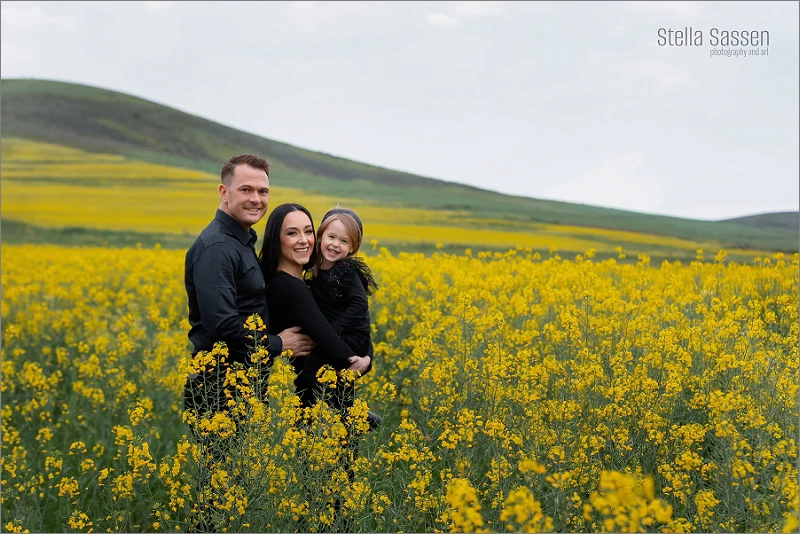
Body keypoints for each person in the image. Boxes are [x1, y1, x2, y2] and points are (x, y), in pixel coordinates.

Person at [182, 155, 314, 532]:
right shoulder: (218, 249)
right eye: (246, 190)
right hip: (218, 387)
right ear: (224, 192)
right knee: (217, 495)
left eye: (263, 190)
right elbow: (223, 325)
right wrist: (279, 344)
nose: (256, 198)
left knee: (229, 490)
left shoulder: (239, 242)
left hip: (239, 383)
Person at [258, 203, 371, 411]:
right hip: (317, 409)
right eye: (292, 233)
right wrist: (364, 361)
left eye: (308, 231)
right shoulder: (292, 287)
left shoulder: (301, 279)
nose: (303, 239)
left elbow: (354, 312)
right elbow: (330, 342)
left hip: (321, 402)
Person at [303, 207, 382, 429]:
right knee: (339, 382)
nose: (335, 244)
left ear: (352, 248)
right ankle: (359, 417)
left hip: (349, 336)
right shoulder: (316, 268)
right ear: (320, 237)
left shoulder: (347, 269)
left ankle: (305, 420)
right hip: (338, 334)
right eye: (331, 237)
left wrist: (333, 331)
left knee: (310, 372)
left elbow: (360, 304)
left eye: (344, 241)